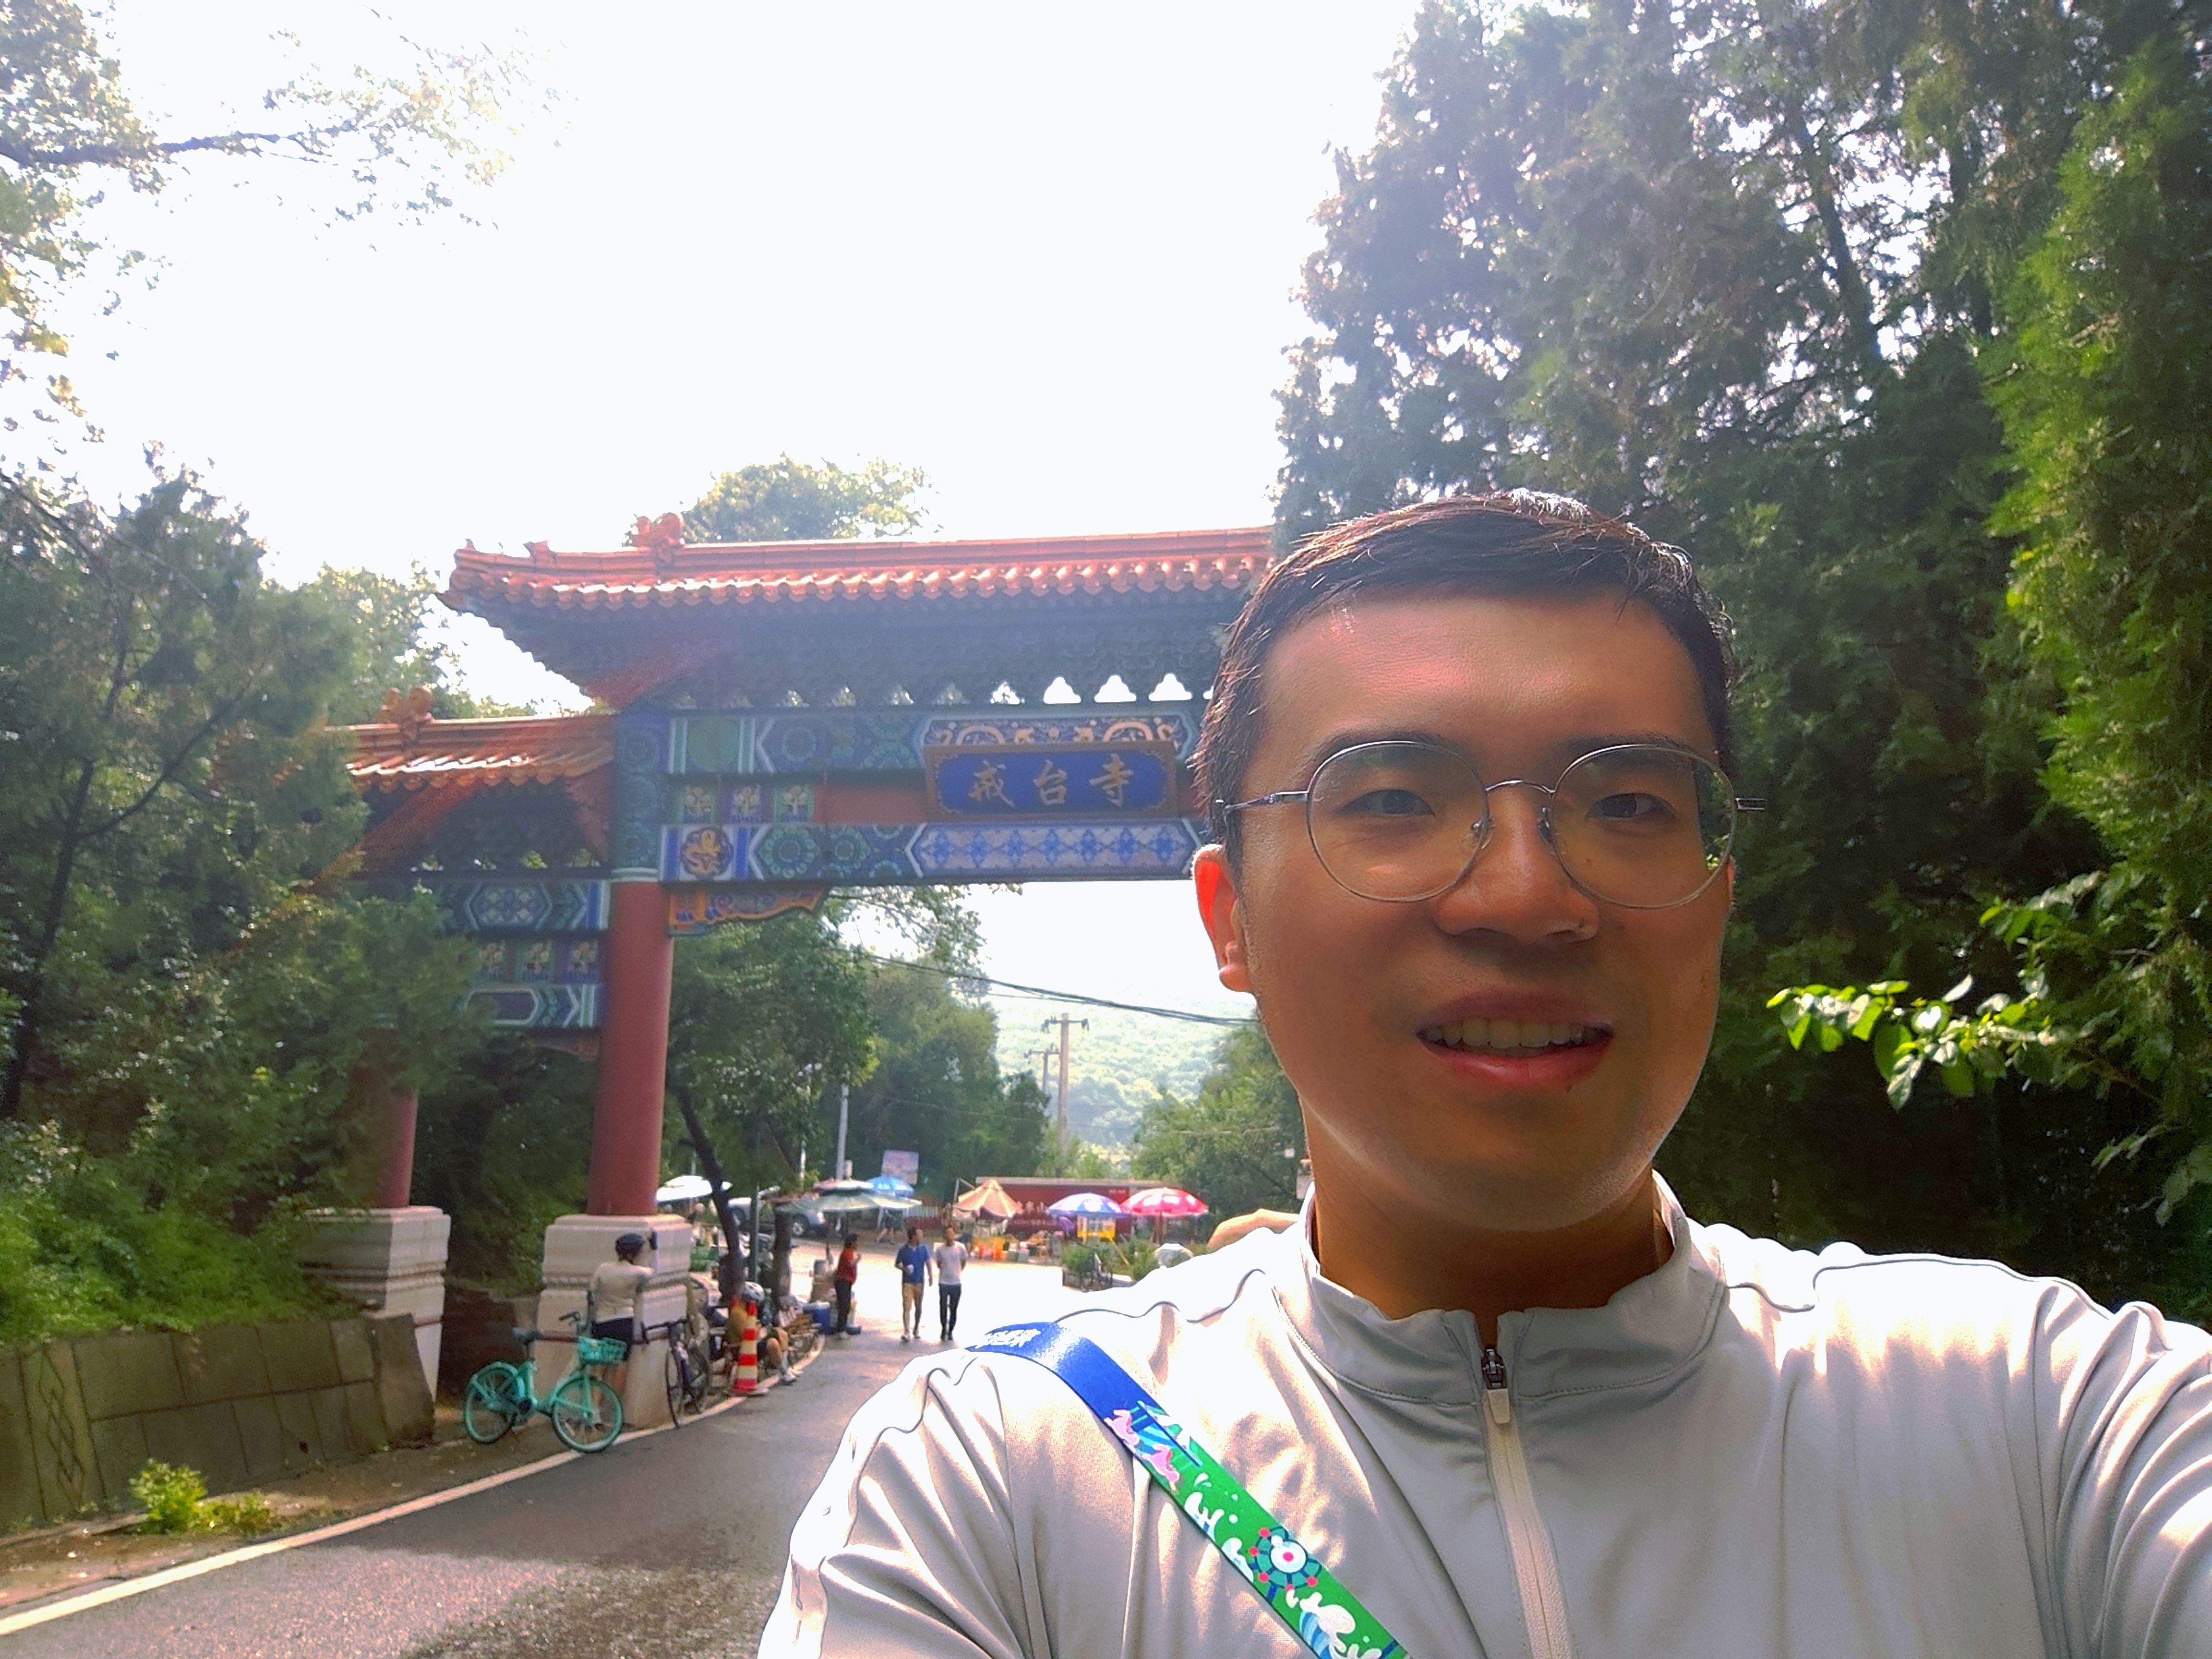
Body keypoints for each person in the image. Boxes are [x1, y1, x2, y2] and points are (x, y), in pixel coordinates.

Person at [764, 494, 2212, 1657]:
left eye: (1627, 800)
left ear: (1719, 891)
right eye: (1395, 797)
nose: (1526, 896)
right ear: (1230, 918)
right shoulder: (991, 1487)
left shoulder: (2053, 1421)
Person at [586, 1231, 651, 1393]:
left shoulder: (603, 1269)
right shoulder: (639, 1273)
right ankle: (616, 1403)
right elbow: (652, 1273)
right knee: (621, 1364)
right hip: (624, 1320)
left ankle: (594, 1404)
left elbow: (592, 1290)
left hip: (603, 1320)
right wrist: (653, 1249)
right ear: (634, 1254)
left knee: (599, 1364)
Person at [894, 1223, 933, 1343]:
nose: (921, 1238)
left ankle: (916, 1328)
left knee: (918, 1306)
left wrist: (930, 1275)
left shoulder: (923, 1249)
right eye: (919, 1235)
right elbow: (897, 1264)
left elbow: (928, 1262)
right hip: (907, 1282)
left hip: (919, 1282)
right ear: (914, 1237)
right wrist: (904, 1269)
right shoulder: (903, 1250)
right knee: (907, 1307)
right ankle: (907, 1331)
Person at [931, 1223, 968, 1343]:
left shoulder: (960, 1248)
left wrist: (958, 1271)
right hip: (944, 1282)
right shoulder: (940, 1249)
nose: (949, 1236)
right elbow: (939, 1264)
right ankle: (943, 1328)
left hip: (956, 1282)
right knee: (943, 1307)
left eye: (951, 1234)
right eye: (947, 1234)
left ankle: (951, 1330)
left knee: (954, 1308)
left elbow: (964, 1261)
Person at [830, 1232, 859, 1335]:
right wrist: (857, 1260)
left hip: (847, 1282)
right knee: (844, 1305)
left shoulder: (850, 1253)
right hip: (843, 1281)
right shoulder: (847, 1253)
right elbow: (850, 1264)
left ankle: (843, 1327)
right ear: (852, 1243)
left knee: (846, 1305)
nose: (858, 1245)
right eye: (856, 1242)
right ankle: (841, 1329)